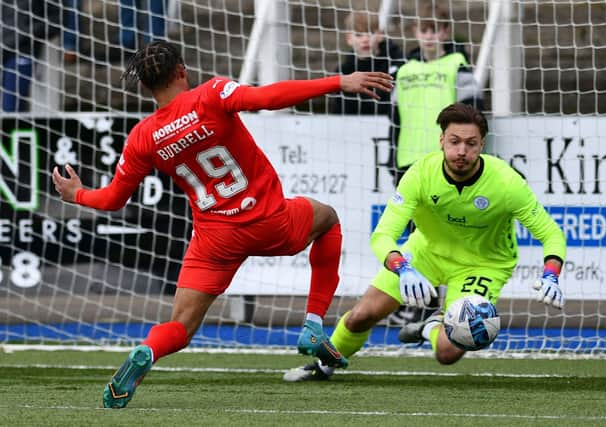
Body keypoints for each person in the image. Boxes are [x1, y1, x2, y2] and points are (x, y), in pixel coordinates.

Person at [51, 40, 393, 408]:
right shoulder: (211, 94)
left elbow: (115, 198)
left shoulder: (142, 137)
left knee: (180, 327)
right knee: (328, 219)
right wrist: (338, 82)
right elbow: (268, 97)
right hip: (268, 221)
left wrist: (78, 194)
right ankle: (312, 324)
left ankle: (148, 351)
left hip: (214, 240)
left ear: (146, 88)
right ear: (182, 71)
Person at [283, 103, 566, 382]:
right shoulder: (420, 175)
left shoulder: (506, 182)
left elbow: (550, 233)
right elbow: (382, 235)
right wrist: (402, 267)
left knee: (447, 352)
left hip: (484, 264)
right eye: (454, 142)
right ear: (441, 140)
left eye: (471, 143)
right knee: (361, 315)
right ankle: (323, 365)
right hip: (425, 252)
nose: (461, 151)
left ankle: (431, 325)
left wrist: (551, 275)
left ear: (482, 144)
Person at [386, 5, 484, 326]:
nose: (429, 36)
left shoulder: (458, 65)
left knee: (443, 236)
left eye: (435, 30)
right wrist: (391, 157)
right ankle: (423, 307)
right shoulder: (402, 70)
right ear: (415, 33)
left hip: (445, 163)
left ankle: (442, 305)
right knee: (416, 236)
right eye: (423, 30)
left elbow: (475, 114)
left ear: (444, 32)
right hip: (408, 162)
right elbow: (394, 120)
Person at [332, 10, 404, 115]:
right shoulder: (344, 71)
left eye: (370, 33)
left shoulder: (397, 63)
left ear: (380, 35)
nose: (365, 39)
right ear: (349, 39)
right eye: (359, 34)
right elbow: (340, 109)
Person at [1, 0, 61, 112]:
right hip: (4, 48)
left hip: (22, 52)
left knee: (10, 108)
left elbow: (56, 21)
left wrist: (24, 34)